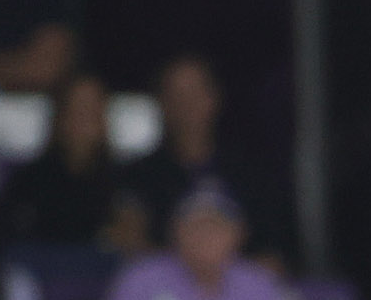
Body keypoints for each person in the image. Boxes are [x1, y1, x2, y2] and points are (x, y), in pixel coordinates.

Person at [125, 54, 297, 267]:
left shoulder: (253, 174)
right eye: (176, 94)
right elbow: (132, 250)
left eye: (195, 92)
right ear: (162, 103)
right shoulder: (139, 176)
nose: (186, 104)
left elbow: (277, 258)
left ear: (214, 98)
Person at [102, 188, 290, 300]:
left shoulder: (259, 285)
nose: (205, 237)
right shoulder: (139, 280)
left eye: (216, 228)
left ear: (238, 234)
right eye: (195, 227)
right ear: (176, 231)